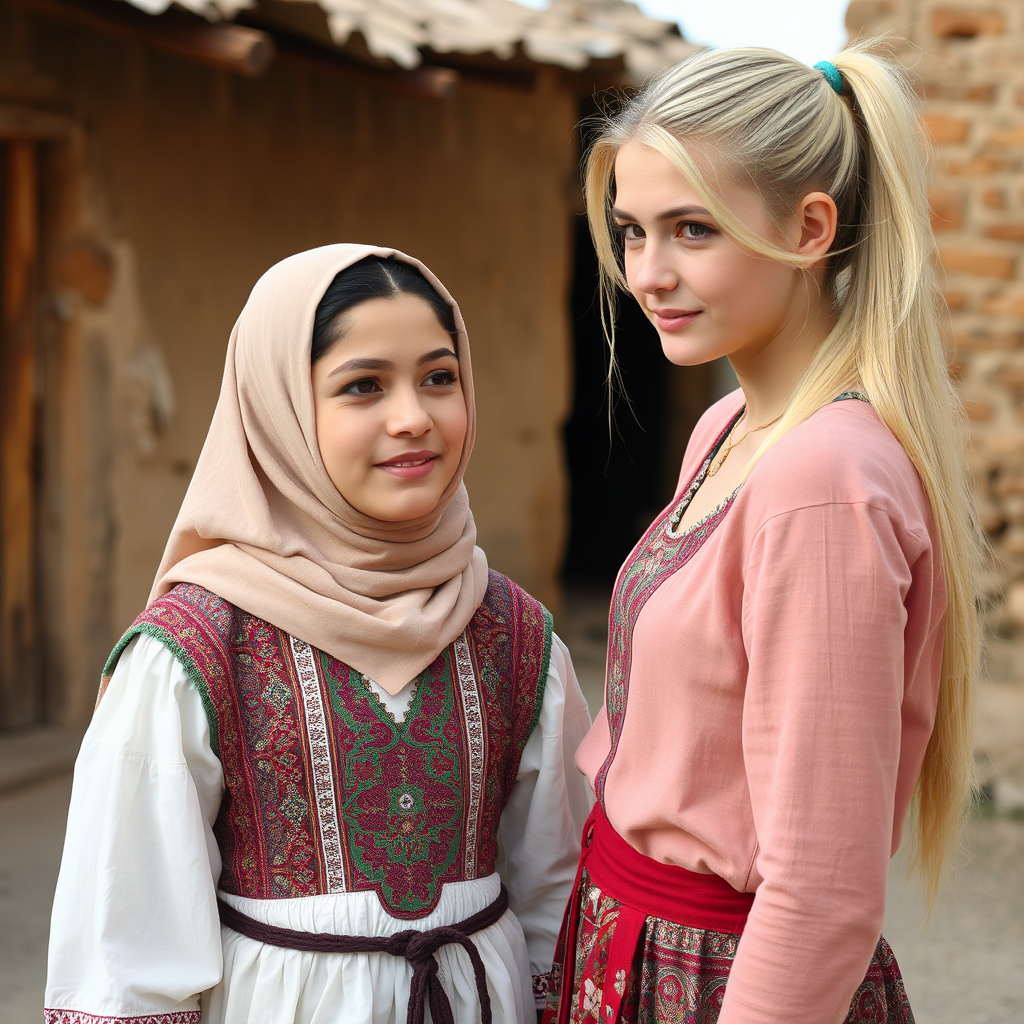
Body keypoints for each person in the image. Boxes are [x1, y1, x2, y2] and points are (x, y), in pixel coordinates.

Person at [544, 43, 981, 1024]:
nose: (649, 273)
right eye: (630, 232)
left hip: (725, 983)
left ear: (809, 226)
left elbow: (821, 896)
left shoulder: (823, 480)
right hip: (630, 946)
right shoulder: (728, 429)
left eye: (691, 230)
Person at [45, 244, 593, 1024]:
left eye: (440, 377)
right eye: (363, 386)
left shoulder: (515, 634)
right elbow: (126, 947)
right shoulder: (191, 649)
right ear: (280, 412)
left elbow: (556, 896)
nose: (414, 417)